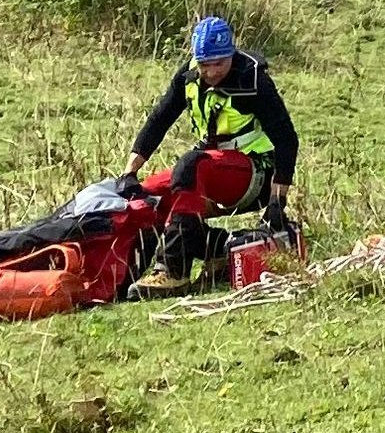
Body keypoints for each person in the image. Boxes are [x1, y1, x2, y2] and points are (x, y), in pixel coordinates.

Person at [128, 16, 299, 287]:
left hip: (257, 173)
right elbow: (159, 119)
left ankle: (172, 271)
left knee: (191, 165)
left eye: (219, 63)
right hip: (214, 167)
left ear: (231, 54)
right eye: (205, 64)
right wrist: (130, 173)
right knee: (147, 196)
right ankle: (220, 250)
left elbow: (287, 139)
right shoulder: (188, 77)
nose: (212, 71)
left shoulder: (252, 79)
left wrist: (278, 201)